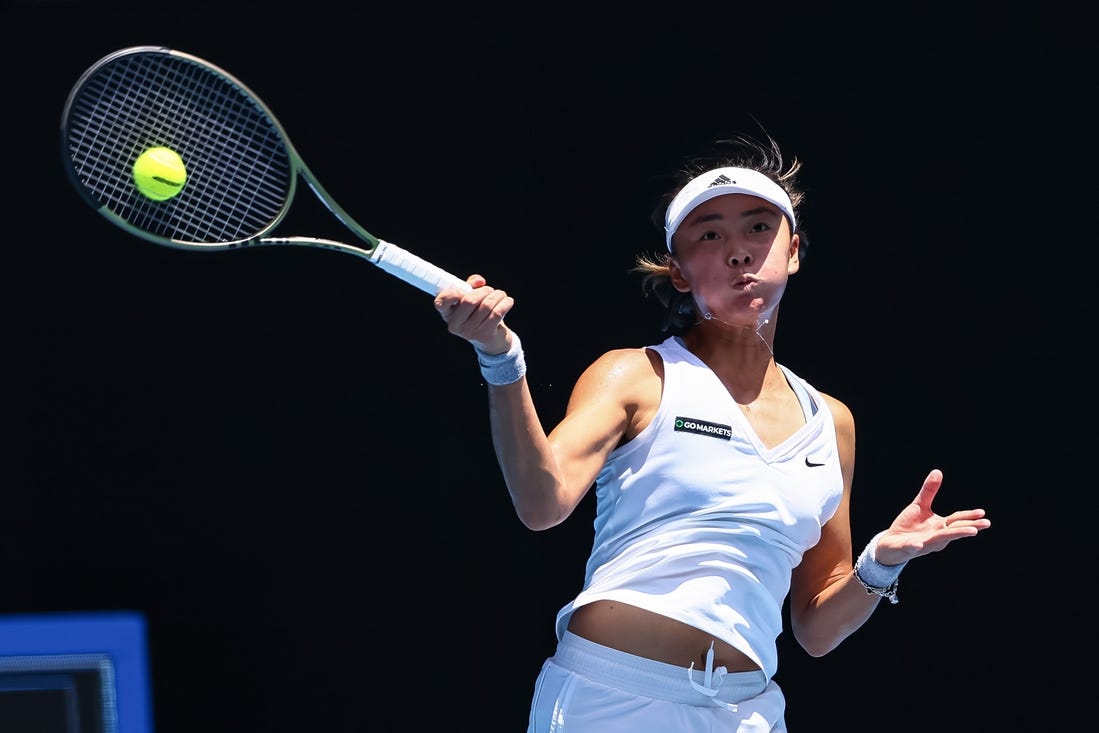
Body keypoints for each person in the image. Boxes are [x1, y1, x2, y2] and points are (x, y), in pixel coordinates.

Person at [433, 133, 991, 732]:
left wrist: (879, 563)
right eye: (709, 235)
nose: (738, 252)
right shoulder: (634, 375)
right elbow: (542, 504)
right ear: (676, 271)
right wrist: (502, 360)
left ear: (793, 250)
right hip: (612, 699)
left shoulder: (833, 422)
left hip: (747, 713)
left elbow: (816, 628)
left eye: (757, 229)